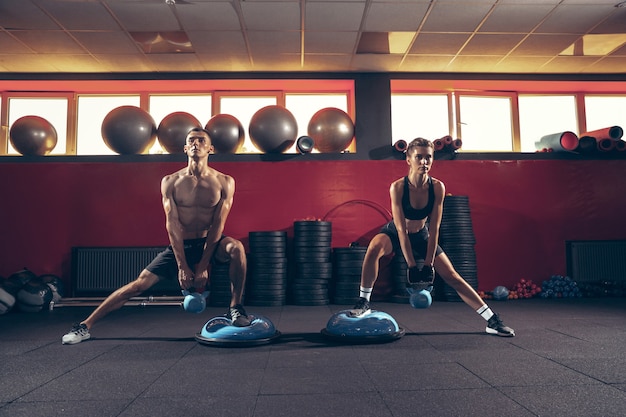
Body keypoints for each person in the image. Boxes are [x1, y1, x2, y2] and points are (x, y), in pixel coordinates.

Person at [62, 127, 250, 345]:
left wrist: (203, 265)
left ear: (211, 148)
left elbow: (218, 224)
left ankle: (235, 308)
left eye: (201, 140)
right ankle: (85, 326)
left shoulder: (225, 181)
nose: (196, 144)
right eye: (191, 140)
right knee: (138, 285)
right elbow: (172, 225)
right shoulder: (170, 181)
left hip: (211, 242)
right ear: (185, 148)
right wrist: (182, 265)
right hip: (181, 244)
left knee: (236, 248)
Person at [349, 137, 515, 337]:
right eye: (419, 157)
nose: (424, 162)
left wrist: (428, 264)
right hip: (396, 232)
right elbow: (401, 229)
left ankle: (491, 320)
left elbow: (435, 227)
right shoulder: (398, 187)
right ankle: (364, 301)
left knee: (453, 276)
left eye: (428, 157)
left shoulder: (437, 187)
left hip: (422, 234)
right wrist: (411, 265)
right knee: (374, 248)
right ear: (408, 160)